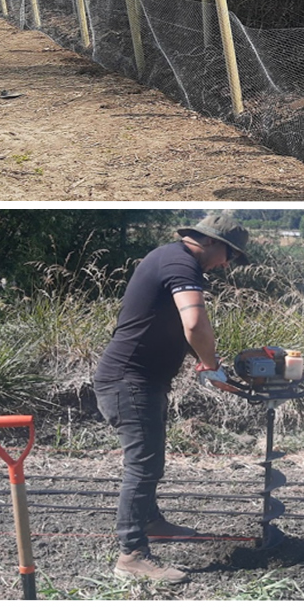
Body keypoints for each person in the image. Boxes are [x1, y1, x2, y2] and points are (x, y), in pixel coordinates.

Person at [93, 213, 250, 582]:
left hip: (141, 381)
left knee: (151, 461)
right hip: (128, 381)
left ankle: (150, 521)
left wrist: (209, 364)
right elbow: (194, 323)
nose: (227, 264)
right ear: (210, 241)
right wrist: (211, 364)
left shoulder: (170, 258)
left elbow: (180, 327)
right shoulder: (180, 263)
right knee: (142, 466)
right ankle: (131, 556)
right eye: (229, 254)